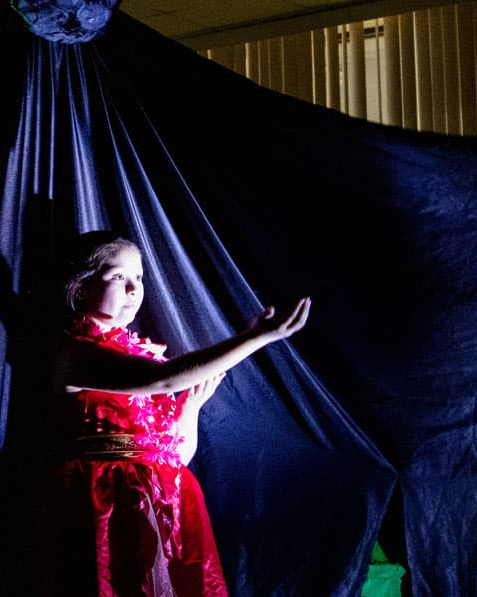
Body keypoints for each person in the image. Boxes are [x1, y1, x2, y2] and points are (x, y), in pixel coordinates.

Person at [39, 232, 311, 597]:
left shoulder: (141, 355)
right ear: (82, 286)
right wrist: (256, 338)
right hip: (105, 504)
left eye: (139, 277)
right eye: (119, 276)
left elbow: (177, 456)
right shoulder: (76, 356)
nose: (134, 288)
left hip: (161, 502)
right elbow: (163, 380)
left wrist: (190, 409)